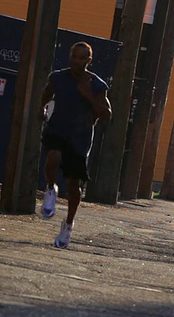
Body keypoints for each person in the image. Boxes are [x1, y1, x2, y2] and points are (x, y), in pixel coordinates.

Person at [39, 41, 112, 249]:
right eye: (74, 57)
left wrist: (88, 95)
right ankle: (51, 189)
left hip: (79, 138)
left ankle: (68, 224)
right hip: (58, 129)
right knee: (52, 157)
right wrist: (42, 107)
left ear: (89, 61)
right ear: (70, 57)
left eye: (82, 58)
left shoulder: (96, 84)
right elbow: (48, 92)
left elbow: (106, 114)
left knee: (73, 186)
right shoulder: (58, 77)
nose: (77, 61)